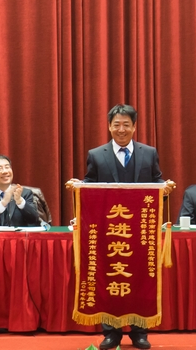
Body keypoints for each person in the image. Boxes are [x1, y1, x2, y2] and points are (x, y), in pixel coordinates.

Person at [67, 104, 175, 350]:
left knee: (140, 276)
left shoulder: (149, 153)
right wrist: (78, 186)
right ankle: (111, 333)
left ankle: (139, 332)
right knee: (109, 275)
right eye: (116, 124)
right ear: (109, 126)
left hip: (140, 230)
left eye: (126, 124)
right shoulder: (97, 154)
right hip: (109, 230)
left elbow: (156, 181)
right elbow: (90, 185)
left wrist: (165, 188)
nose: (121, 129)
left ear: (134, 127)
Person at [0, 155, 40, 227]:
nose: (5, 171)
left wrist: (20, 201)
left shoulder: (25, 193)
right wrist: (3, 202)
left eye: (7, 167)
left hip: (19, 234)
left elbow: (34, 219)